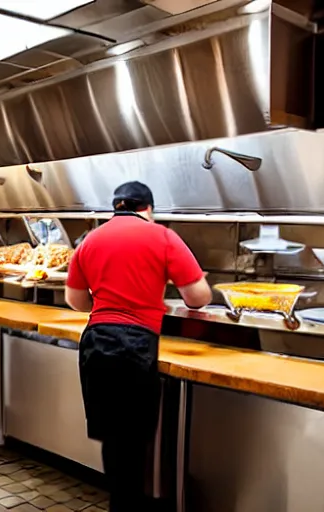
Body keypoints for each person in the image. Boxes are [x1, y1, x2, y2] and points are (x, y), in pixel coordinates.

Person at [65, 181, 212, 512]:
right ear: (148, 209)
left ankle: (121, 503)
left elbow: (75, 300)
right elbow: (198, 296)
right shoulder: (162, 236)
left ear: (116, 208)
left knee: (112, 434)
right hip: (136, 342)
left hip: (96, 341)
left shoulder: (90, 240)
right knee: (134, 436)